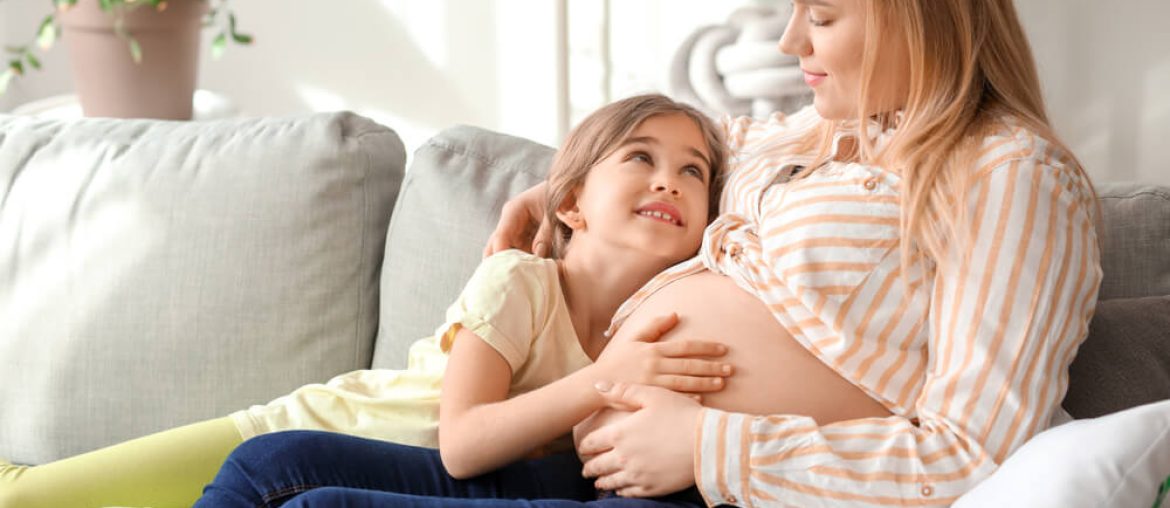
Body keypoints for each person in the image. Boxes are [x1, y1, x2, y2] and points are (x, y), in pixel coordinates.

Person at [192, 0, 1103, 505]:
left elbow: (975, 452)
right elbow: (669, 150)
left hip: (704, 497)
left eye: (821, 15)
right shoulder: (799, 137)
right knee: (274, 470)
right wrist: (552, 192)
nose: (791, 41)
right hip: (589, 463)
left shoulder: (1009, 177)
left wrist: (713, 446)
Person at [0, 93, 730, 508]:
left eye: (692, 172)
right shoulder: (521, 282)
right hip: (308, 437)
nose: (669, 180)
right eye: (642, 157)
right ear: (571, 203)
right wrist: (607, 378)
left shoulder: (657, 321)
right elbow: (466, 442)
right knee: (27, 496)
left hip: (387, 486)